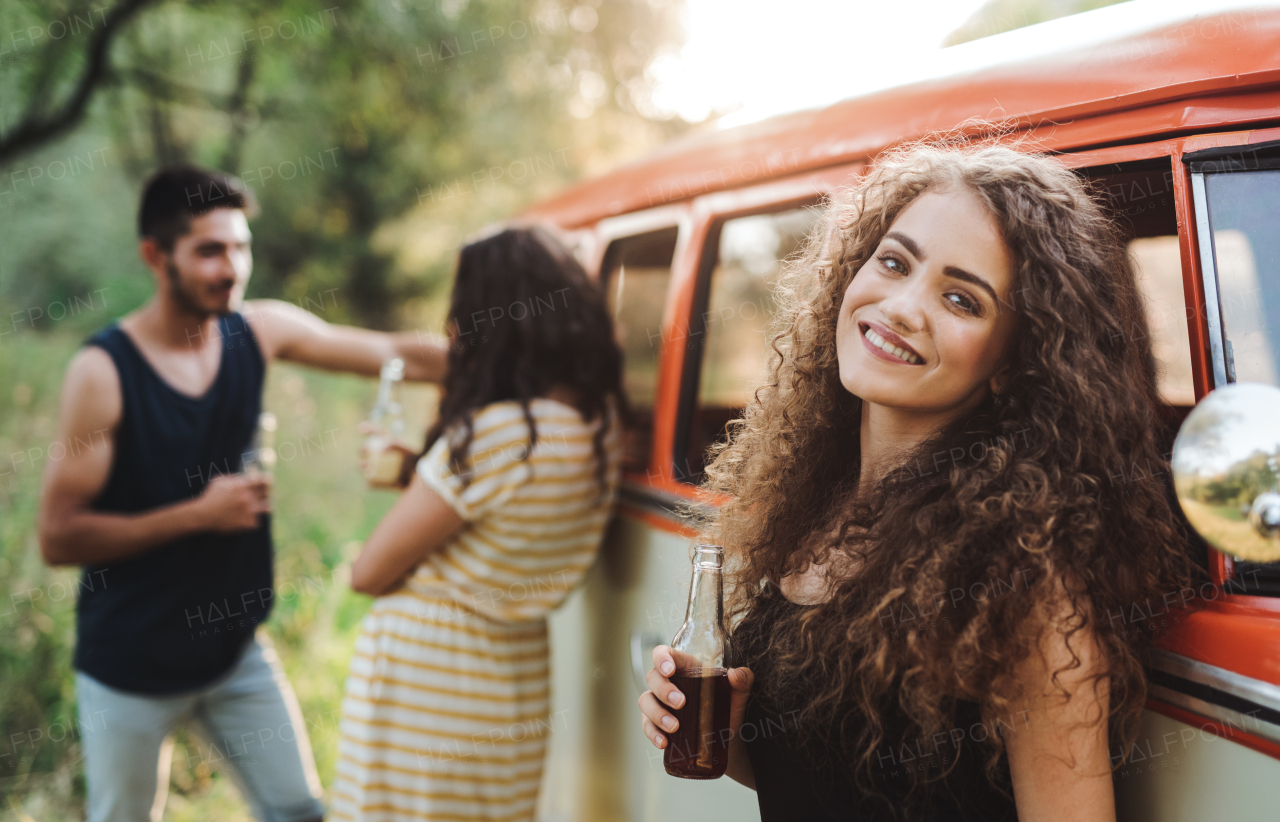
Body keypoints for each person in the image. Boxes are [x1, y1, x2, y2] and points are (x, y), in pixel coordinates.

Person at [638, 141, 1199, 821]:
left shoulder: (1028, 590)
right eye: (896, 262)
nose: (902, 306)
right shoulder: (815, 509)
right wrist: (713, 738)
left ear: (1014, 364)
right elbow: (827, 780)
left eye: (962, 299)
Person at [37, 165, 451, 822]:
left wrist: (514, 362)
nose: (232, 268)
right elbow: (59, 537)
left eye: (240, 247)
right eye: (209, 250)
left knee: (301, 813)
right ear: (155, 255)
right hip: (131, 669)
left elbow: (393, 351)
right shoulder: (103, 371)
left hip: (235, 656)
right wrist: (198, 515)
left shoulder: (256, 331)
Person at [331, 226, 627, 821]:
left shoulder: (497, 433)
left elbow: (369, 573)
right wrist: (421, 469)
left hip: (431, 678)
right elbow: (509, 515)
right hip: (512, 677)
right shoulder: (600, 425)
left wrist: (419, 477)